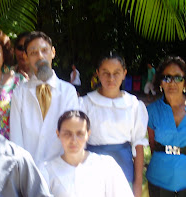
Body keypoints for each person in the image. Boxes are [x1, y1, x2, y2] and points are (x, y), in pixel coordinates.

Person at [80, 53, 148, 197]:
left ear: (124, 74)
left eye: (116, 73)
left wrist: (137, 185)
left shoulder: (134, 105)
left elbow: (138, 145)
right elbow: (79, 142)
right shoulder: (85, 103)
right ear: (98, 74)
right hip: (92, 168)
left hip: (124, 168)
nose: (111, 78)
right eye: (106, 73)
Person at [10, 31, 79, 166]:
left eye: (44, 50)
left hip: (61, 170)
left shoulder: (68, 91)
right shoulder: (20, 92)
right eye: (33, 52)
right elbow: (16, 139)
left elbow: (72, 132)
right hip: (29, 171)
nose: (40, 56)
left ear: (53, 52)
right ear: (26, 57)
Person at [39, 110, 133, 197]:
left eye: (80, 134)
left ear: (88, 134)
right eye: (67, 133)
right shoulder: (47, 171)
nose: (73, 140)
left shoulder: (106, 166)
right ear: (58, 134)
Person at [146, 56, 186, 196]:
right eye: (167, 77)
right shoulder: (151, 111)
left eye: (178, 77)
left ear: (185, 82)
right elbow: (152, 145)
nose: (172, 82)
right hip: (159, 178)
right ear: (160, 82)